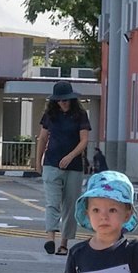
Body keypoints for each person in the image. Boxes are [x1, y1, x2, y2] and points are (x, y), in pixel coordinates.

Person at [35, 80, 91, 255]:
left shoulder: (80, 115)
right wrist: (38, 161)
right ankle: (50, 238)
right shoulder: (50, 115)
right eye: (59, 100)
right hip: (51, 164)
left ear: (72, 99)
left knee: (70, 205)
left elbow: (84, 141)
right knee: (52, 203)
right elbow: (42, 138)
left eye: (65, 100)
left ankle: (64, 243)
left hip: (74, 167)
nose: (63, 103)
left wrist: (70, 156)